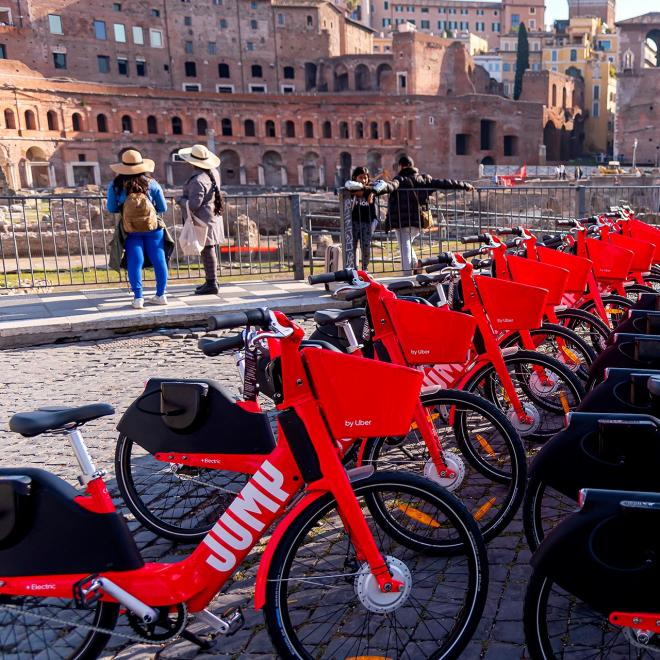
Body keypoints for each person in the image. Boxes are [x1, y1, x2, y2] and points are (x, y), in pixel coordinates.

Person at [374, 155, 474, 275]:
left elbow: (390, 186)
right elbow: (445, 183)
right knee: (406, 245)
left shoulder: (400, 179)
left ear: (401, 166)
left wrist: (375, 189)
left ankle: (407, 275)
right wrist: (464, 185)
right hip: (419, 220)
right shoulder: (424, 179)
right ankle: (416, 265)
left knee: (404, 246)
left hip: (403, 220)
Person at [107, 149, 169, 309]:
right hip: (153, 228)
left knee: (135, 260)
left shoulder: (115, 186)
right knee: (159, 258)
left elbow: (112, 208)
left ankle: (138, 297)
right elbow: (163, 207)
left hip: (130, 229)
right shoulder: (152, 183)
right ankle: (161, 294)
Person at [177, 144, 225, 295]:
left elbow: (193, 204)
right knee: (208, 249)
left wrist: (180, 200)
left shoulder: (198, 180)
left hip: (204, 219)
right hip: (213, 216)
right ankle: (211, 281)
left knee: (208, 249)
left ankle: (211, 283)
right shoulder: (214, 173)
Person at [345, 166, 380, 270]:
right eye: (361, 177)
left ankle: (365, 269)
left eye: (366, 177)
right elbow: (349, 184)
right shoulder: (351, 188)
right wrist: (365, 190)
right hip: (354, 222)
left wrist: (369, 191)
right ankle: (352, 270)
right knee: (352, 247)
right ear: (355, 177)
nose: (364, 180)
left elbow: (382, 184)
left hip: (367, 222)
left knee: (366, 247)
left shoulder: (372, 189)